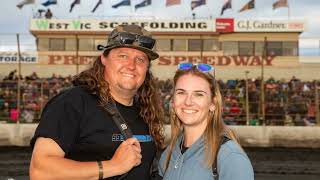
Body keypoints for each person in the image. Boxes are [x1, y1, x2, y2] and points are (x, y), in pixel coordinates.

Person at [29, 24, 165, 180]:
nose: (132, 65)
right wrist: (113, 166)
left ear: (147, 68)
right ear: (104, 59)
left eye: (140, 59)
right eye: (123, 56)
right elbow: (40, 171)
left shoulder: (145, 111)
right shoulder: (73, 102)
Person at [158, 63, 254, 180]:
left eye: (198, 94)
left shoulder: (230, 157)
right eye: (181, 93)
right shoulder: (168, 154)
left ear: (213, 103)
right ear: (173, 101)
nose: (188, 102)